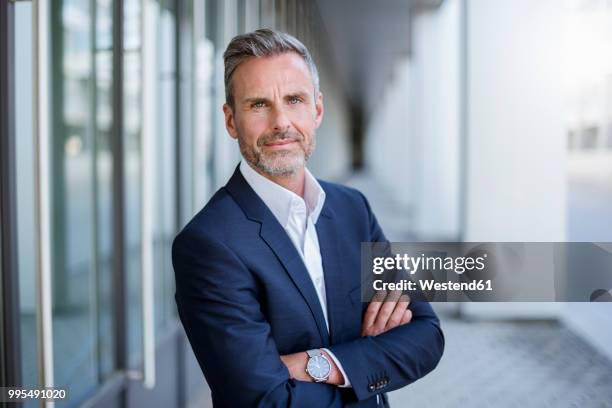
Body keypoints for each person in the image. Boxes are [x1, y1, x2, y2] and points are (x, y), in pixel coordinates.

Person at [172, 28, 444, 408]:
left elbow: (426, 335)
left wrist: (318, 365)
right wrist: (364, 361)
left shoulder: (353, 209)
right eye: (258, 105)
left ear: (317, 110)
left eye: (294, 99)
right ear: (231, 120)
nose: (281, 122)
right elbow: (265, 400)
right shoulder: (208, 244)